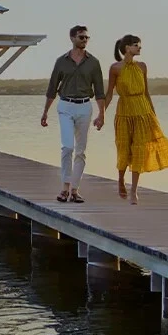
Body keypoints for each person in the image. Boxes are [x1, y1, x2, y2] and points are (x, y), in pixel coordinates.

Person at [101, 34, 168, 204]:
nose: (139, 48)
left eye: (139, 45)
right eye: (136, 45)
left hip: (143, 111)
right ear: (127, 48)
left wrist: (153, 113)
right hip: (124, 111)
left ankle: (134, 191)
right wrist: (101, 114)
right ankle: (121, 180)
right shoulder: (115, 68)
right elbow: (109, 94)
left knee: (139, 150)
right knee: (123, 148)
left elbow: (146, 92)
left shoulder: (142, 67)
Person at [40, 25, 106, 204]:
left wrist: (102, 114)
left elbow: (99, 91)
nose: (85, 40)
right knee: (67, 147)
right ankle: (64, 188)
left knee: (81, 150)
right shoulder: (61, 61)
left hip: (85, 106)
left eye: (86, 37)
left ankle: (75, 190)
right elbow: (52, 88)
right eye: (81, 37)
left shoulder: (94, 62)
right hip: (65, 106)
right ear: (72, 38)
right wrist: (45, 112)